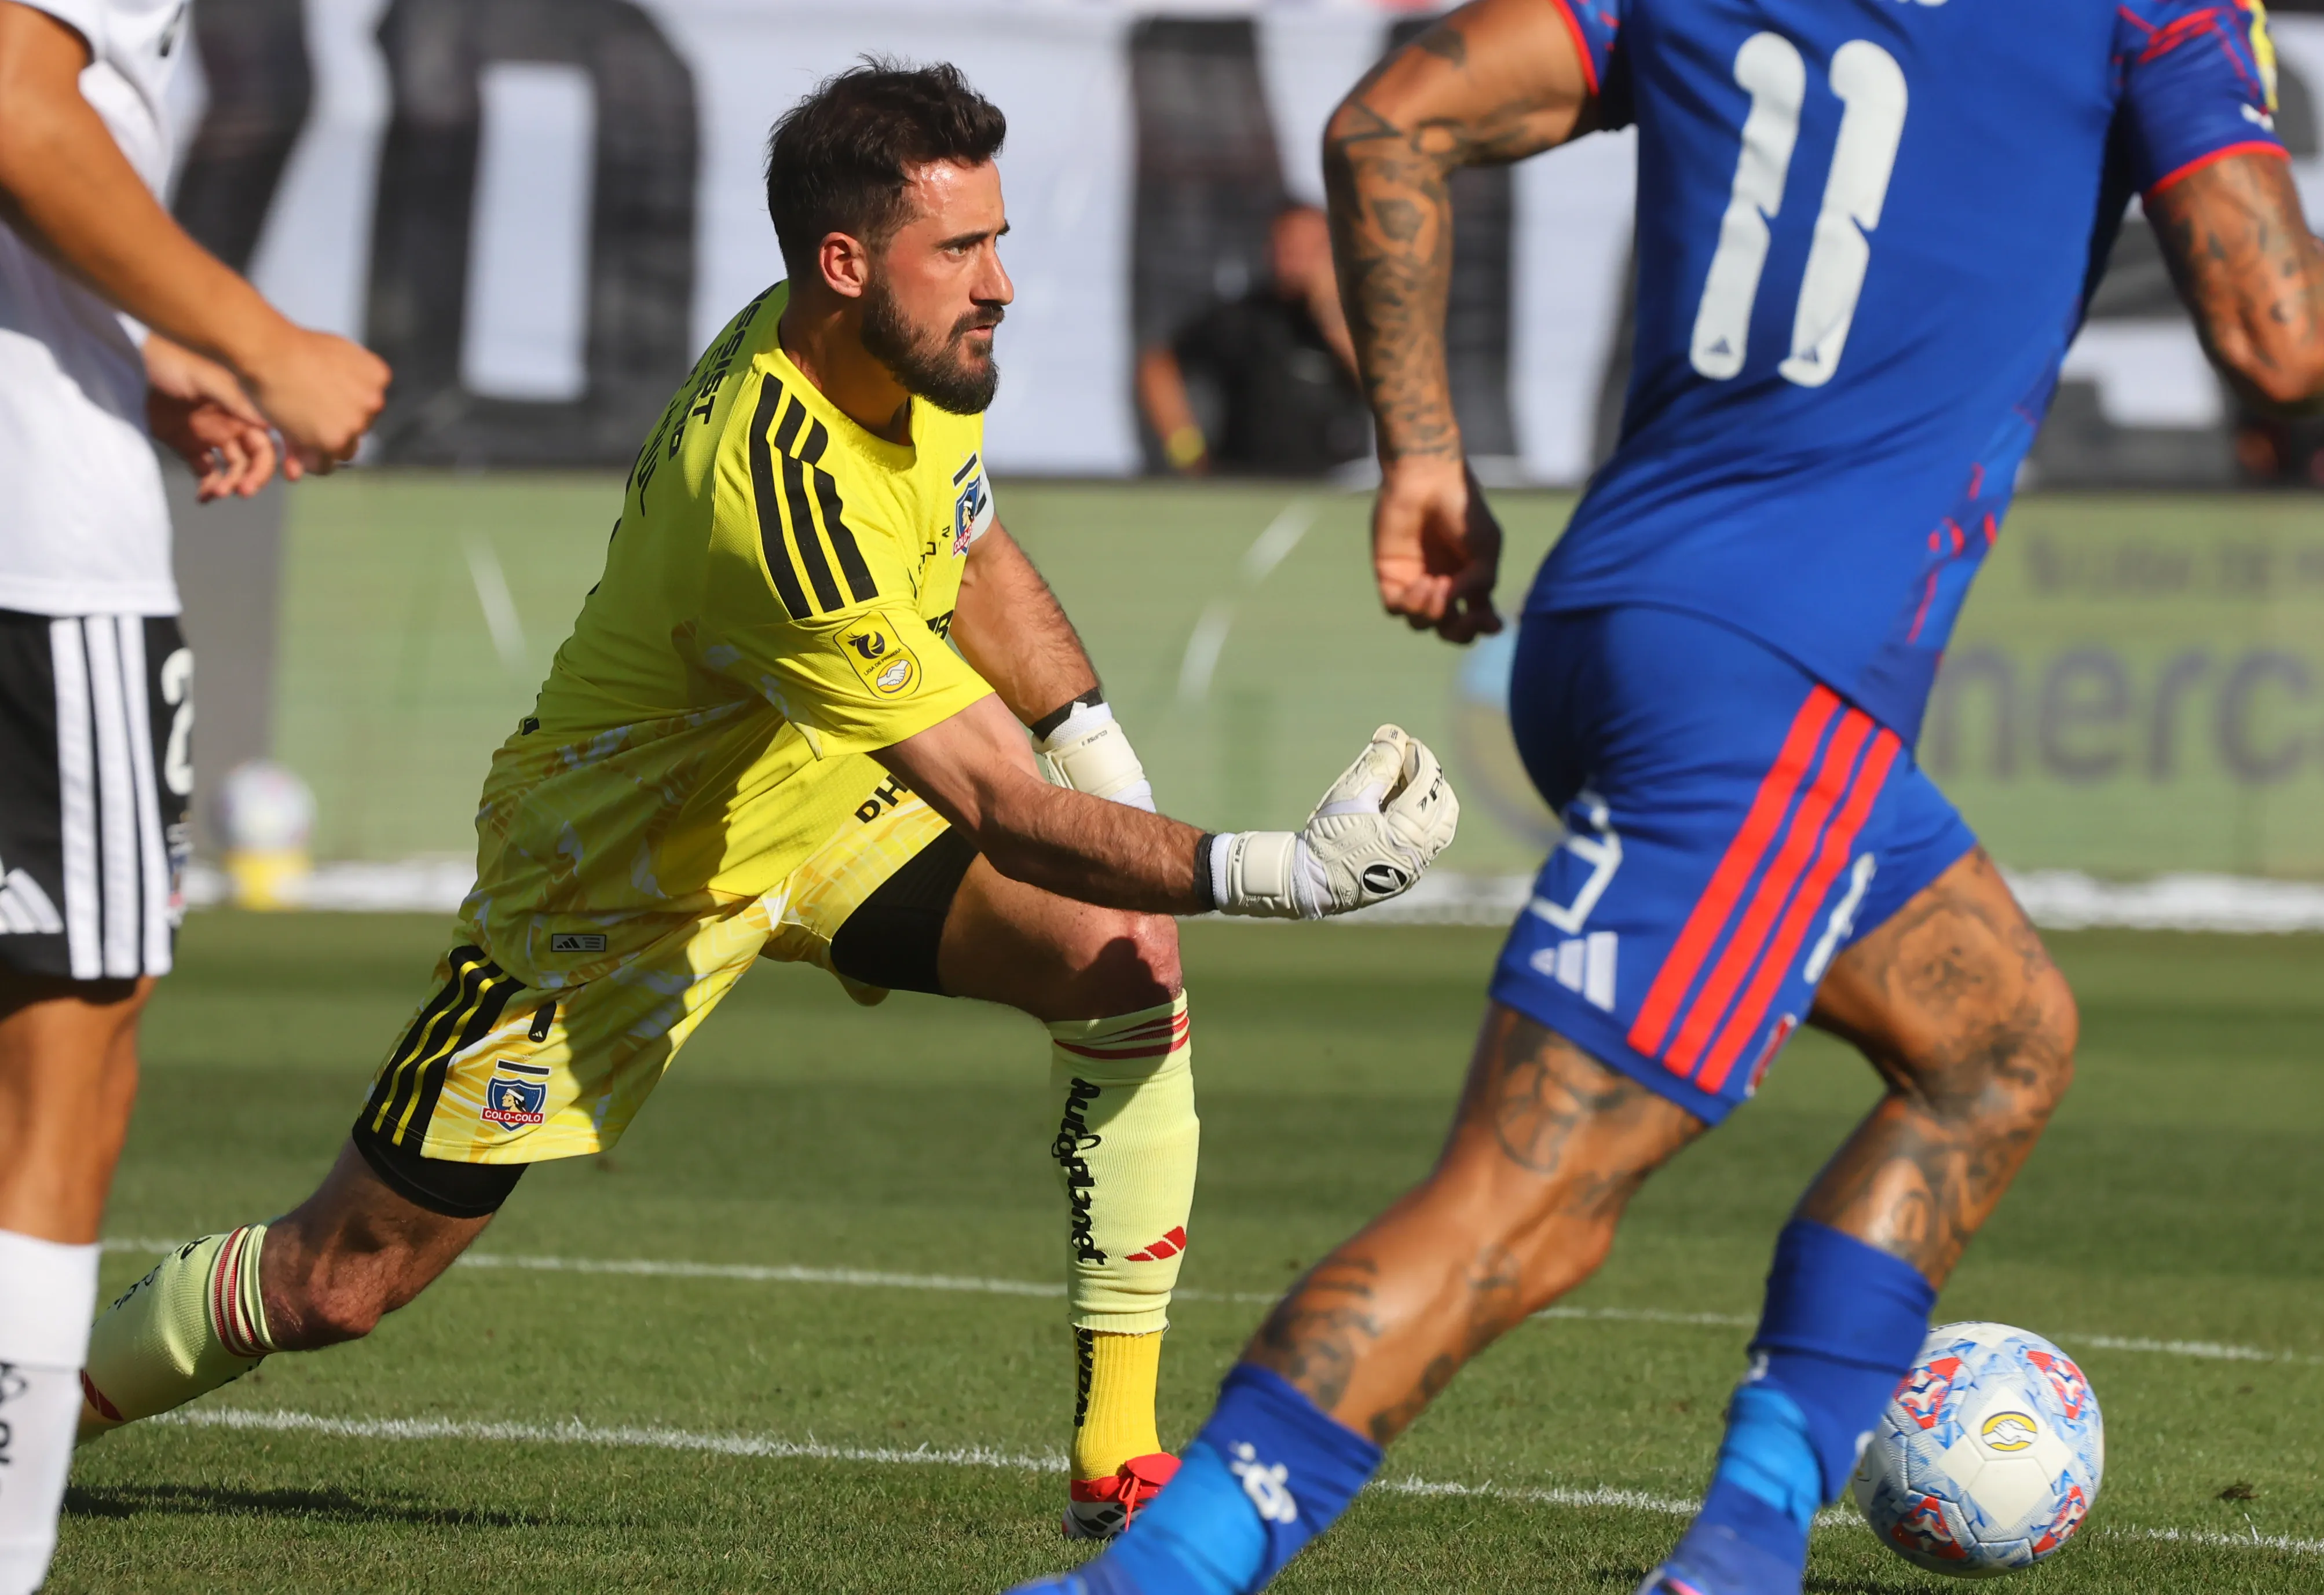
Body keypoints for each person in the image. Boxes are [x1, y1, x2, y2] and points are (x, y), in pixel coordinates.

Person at [1018, 0, 2324, 1587]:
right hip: (1772, 687)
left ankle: (1741, 1546)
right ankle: (1151, 1575)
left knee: (1995, 1043)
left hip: (1612, 623)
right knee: (1524, 1206)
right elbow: (2286, 340)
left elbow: (1384, 119)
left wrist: (1420, 449)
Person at [72, 60, 1458, 1550]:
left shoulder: (904, 354)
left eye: (999, 239)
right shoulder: (770, 486)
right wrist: (1285, 873)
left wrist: (1103, 753)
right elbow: (992, 799)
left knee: (1122, 962)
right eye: (963, 250)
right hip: (614, 890)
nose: (1000, 284)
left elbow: (975, 549)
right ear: (844, 263)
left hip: (821, 805)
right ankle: (36, 1407)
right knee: (338, 1282)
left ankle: (1117, 1457)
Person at [0, 0, 388, 1587]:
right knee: (63, 1078)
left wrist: (131, 349)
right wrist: (258, 341)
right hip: (34, 558)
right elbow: (21, 111)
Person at [1135, 205, 1368, 477]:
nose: (1297, 259)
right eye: (1288, 247)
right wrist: (1188, 451)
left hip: (1342, 483)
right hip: (1250, 487)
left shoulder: (1360, 321)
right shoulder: (1245, 318)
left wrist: (1332, 316)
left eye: (1312, 249)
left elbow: (1381, 391)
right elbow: (1158, 366)